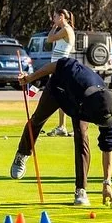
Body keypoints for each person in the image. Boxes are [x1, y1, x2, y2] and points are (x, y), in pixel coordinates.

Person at [10, 57, 112, 208]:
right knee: (37, 120)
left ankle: (81, 190)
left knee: (82, 139)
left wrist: (107, 183)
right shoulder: (77, 74)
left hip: (79, 106)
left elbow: (108, 147)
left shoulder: (107, 107)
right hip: (57, 90)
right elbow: (56, 65)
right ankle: (22, 153)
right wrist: (29, 78)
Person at [46, 9, 76, 137]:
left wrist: (54, 27)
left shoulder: (66, 30)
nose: (53, 19)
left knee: (65, 97)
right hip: (57, 66)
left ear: (62, 16)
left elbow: (49, 39)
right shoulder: (64, 29)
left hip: (61, 66)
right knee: (61, 96)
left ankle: (73, 126)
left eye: (55, 17)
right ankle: (61, 126)